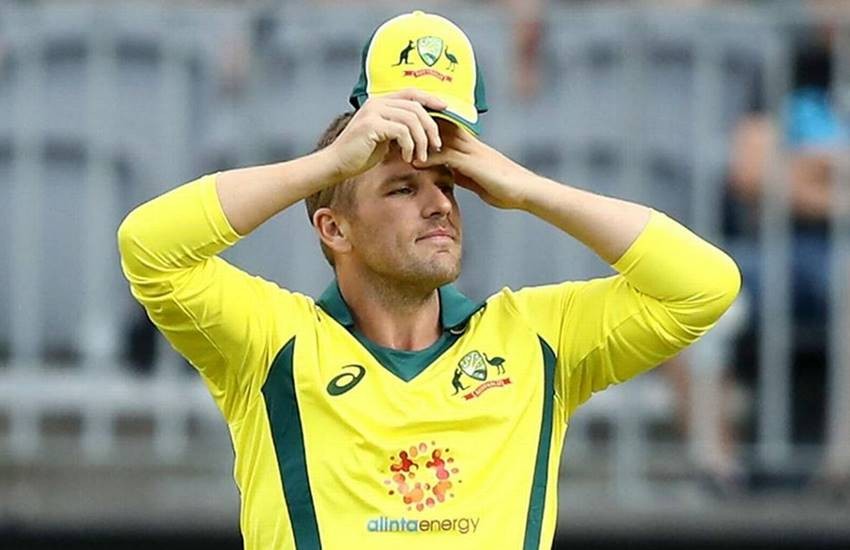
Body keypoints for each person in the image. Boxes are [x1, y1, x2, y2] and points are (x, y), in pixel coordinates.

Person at [117, 10, 741, 549]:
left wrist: (527, 188)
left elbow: (704, 285)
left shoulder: (538, 338)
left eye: (448, 183)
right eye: (402, 188)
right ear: (335, 230)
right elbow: (149, 248)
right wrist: (327, 165)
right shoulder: (272, 341)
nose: (440, 204)